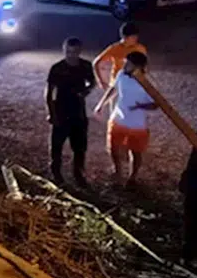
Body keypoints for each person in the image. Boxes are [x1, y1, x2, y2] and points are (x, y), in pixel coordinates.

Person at [95, 51, 158, 187]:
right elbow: (113, 90)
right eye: (125, 62)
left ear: (138, 67)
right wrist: (101, 105)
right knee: (113, 148)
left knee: (135, 152)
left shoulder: (147, 83)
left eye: (128, 64)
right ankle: (118, 171)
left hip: (138, 125)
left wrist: (139, 105)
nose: (124, 65)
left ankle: (132, 177)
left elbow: (155, 104)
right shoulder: (122, 75)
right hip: (118, 120)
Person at [45, 37, 95, 185]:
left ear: (79, 51)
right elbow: (49, 93)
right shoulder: (57, 68)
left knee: (80, 147)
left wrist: (87, 90)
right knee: (56, 145)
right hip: (61, 111)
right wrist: (51, 113)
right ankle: (56, 171)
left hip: (78, 112)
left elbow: (92, 81)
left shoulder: (86, 66)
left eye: (74, 52)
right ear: (64, 50)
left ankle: (78, 173)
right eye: (68, 52)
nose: (71, 55)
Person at [93, 21, 147, 89]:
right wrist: (100, 82)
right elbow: (96, 63)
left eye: (136, 36)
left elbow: (144, 67)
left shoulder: (140, 48)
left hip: (133, 83)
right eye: (133, 37)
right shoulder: (114, 48)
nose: (136, 39)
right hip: (116, 85)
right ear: (124, 37)